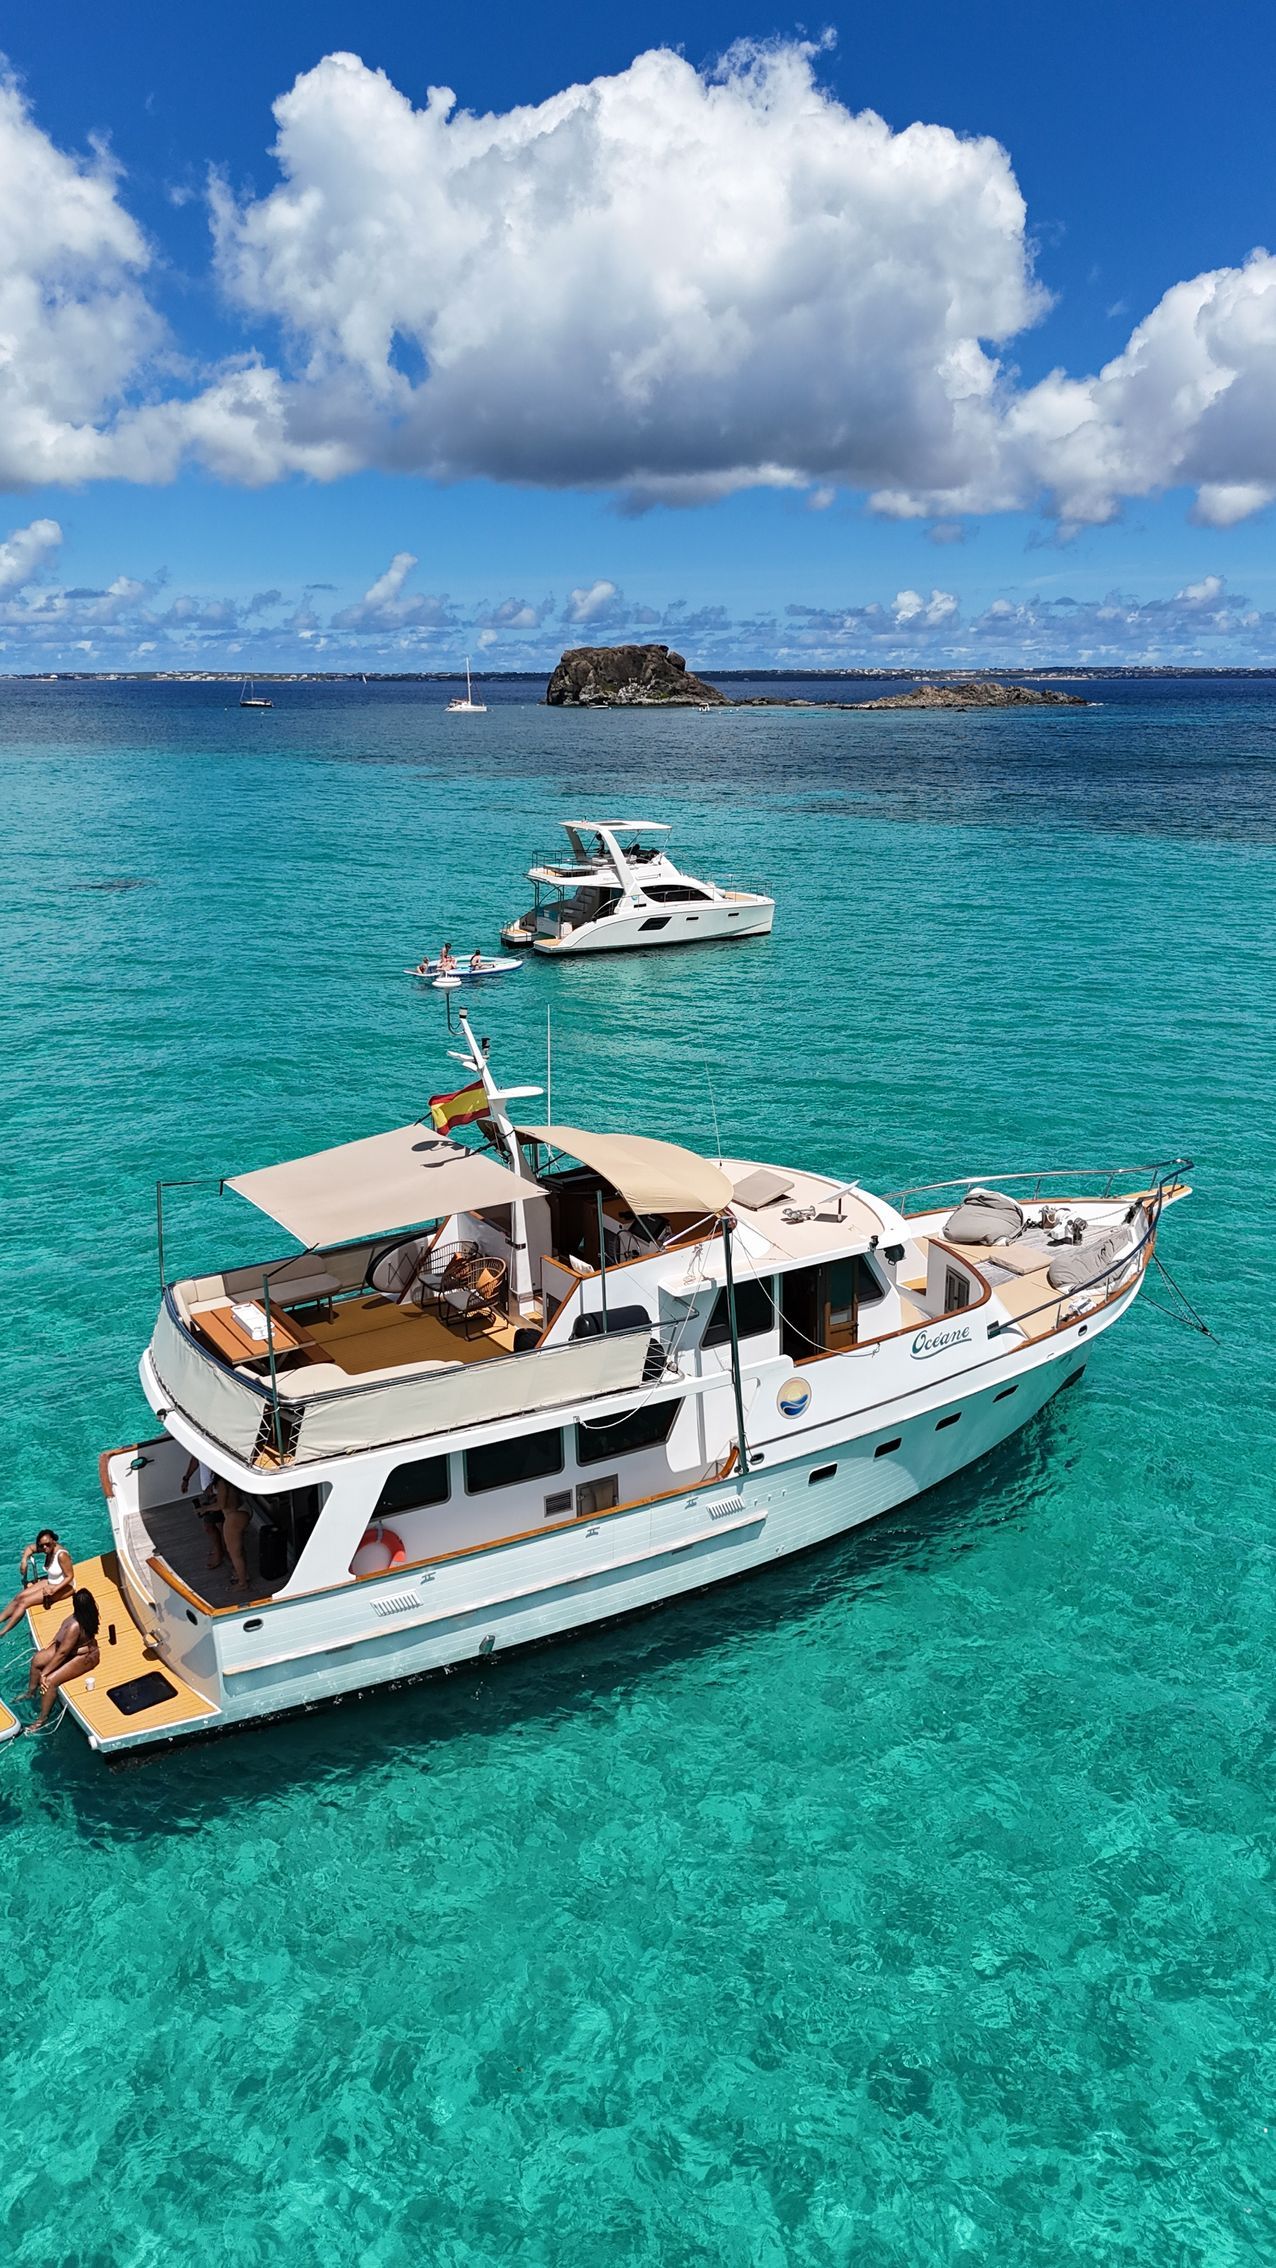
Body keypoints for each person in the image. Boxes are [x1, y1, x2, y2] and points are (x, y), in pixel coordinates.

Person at [25, 1588, 100, 1731]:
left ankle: (42, 1718)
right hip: (71, 1649)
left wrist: (45, 1673)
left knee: (49, 1681)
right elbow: (63, 1645)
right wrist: (53, 1643)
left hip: (84, 1657)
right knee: (37, 1660)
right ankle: (30, 1692)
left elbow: (62, 1653)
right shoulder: (84, 1616)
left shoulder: (76, 1625)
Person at [0, 1531, 74, 1634]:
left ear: (54, 1541)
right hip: (51, 1581)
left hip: (64, 1587)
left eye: (47, 1544)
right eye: (41, 1545)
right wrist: (24, 1560)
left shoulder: (61, 1555)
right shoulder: (46, 1548)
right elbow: (29, 1548)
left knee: (24, 1602)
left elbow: (70, 1576)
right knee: (19, 1597)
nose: (44, 1548)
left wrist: (54, 1589)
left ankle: (2, 1632)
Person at [181, 1455, 226, 1570]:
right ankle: (221, 1549)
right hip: (208, 1490)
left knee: (212, 1525)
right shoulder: (200, 1445)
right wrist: (186, 1479)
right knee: (215, 1525)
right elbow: (195, 1459)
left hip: (216, 1490)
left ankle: (220, 1553)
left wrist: (215, 1483)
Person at [219, 1478, 252, 1589]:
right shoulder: (230, 1480)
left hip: (234, 1516)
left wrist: (204, 1509)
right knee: (239, 1548)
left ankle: (242, 1583)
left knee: (234, 1553)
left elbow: (221, 1505)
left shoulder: (221, 1482)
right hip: (242, 1510)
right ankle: (243, 1574)